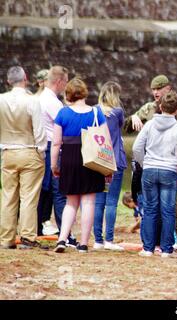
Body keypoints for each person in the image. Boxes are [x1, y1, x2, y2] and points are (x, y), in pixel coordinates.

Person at [126, 74, 177, 254]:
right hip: (159, 164)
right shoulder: (147, 110)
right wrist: (132, 119)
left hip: (168, 162)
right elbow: (128, 128)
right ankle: (160, 244)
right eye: (153, 89)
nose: (155, 93)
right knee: (154, 207)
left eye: (158, 89)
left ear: (167, 88)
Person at [53, 78, 107, 253]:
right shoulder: (96, 113)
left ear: (69, 94)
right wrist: (108, 168)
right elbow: (106, 141)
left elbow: (56, 143)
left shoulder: (63, 114)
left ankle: (62, 239)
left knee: (71, 202)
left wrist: (54, 165)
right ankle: (83, 243)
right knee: (89, 202)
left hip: (69, 157)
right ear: (84, 92)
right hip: (90, 157)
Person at [132, 90, 177, 258]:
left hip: (149, 170)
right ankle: (166, 249)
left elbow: (136, 148)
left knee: (149, 209)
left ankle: (148, 248)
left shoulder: (149, 125)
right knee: (168, 210)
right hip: (169, 171)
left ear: (160, 106)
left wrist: (144, 163)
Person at [0, 66, 48, 250]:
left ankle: (6, 238)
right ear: (25, 79)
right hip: (29, 149)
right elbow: (39, 131)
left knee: (8, 196)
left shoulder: (1, 100)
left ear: (8, 81)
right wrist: (41, 151)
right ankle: (27, 237)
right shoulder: (32, 100)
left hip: (7, 151)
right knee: (28, 197)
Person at [37, 66, 76, 243]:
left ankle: (38, 227)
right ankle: (65, 233)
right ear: (59, 81)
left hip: (42, 145)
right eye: (66, 82)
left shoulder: (39, 98)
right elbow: (67, 124)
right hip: (53, 146)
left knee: (45, 191)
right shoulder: (53, 102)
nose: (66, 86)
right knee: (59, 191)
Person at [93, 81, 127, 251]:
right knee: (111, 202)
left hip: (98, 160)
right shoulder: (118, 112)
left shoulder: (94, 111)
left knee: (98, 202)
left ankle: (97, 240)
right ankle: (109, 240)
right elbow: (120, 128)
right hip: (114, 160)